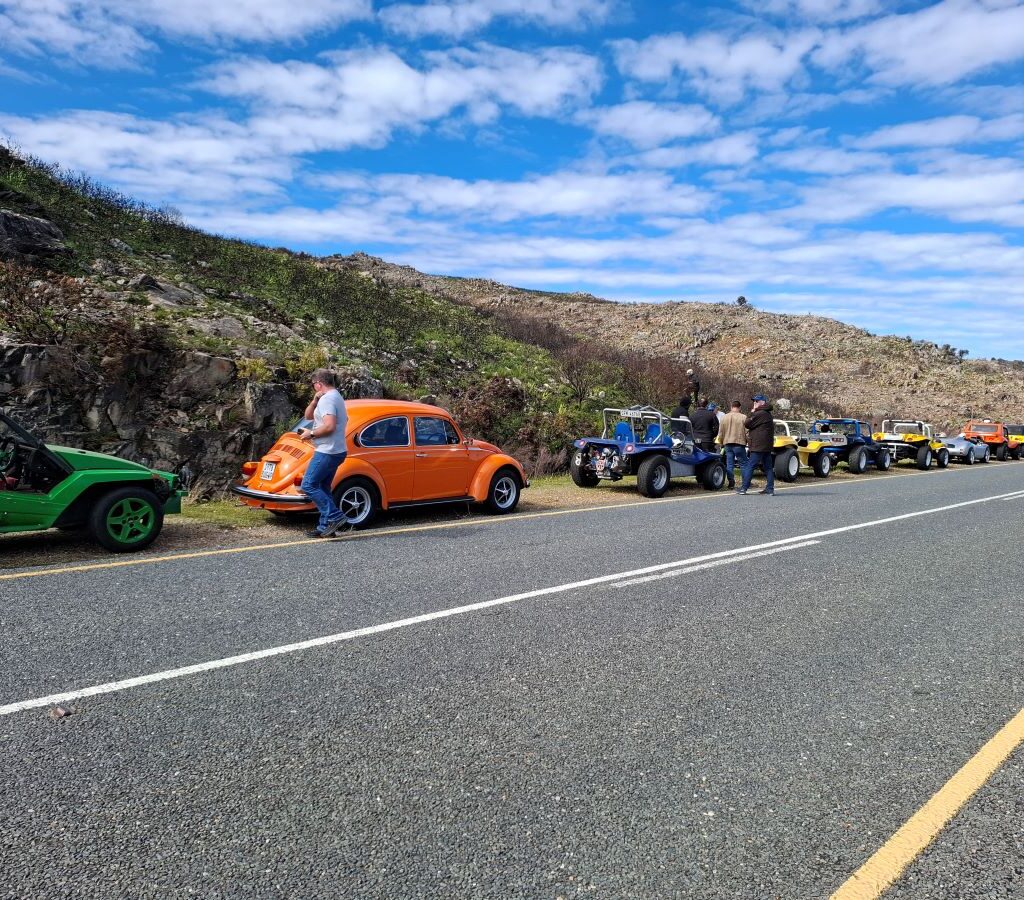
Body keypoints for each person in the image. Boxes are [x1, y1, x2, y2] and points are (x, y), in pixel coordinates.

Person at [296, 369, 349, 537]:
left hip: (327, 450)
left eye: (313, 385)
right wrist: (314, 401)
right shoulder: (334, 397)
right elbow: (308, 416)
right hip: (336, 450)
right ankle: (325, 527)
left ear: (319, 383)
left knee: (308, 485)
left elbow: (329, 426)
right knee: (323, 487)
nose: (314, 388)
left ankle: (336, 516)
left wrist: (310, 434)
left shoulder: (328, 399)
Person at [739, 394, 775, 496]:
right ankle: (770, 489)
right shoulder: (767, 413)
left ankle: (744, 488)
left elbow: (747, 423)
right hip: (766, 445)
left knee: (750, 466)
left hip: (759, 445)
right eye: (754, 401)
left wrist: (752, 412)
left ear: (762, 402)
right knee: (768, 467)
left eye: (756, 401)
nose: (754, 403)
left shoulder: (760, 413)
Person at [718, 400, 748, 490]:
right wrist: (748, 441)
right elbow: (747, 432)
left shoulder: (724, 417)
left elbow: (721, 432)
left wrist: (721, 442)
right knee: (743, 464)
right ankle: (745, 483)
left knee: (729, 464)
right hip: (739, 443)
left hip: (727, 442)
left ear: (731, 407)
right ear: (739, 407)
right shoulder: (743, 417)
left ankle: (731, 483)